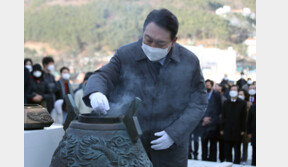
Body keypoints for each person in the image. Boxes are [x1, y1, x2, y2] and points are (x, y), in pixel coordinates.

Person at [82, 8, 208, 167]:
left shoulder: (189, 61)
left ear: (174, 41)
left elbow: (199, 103)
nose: (152, 46)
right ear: (143, 32)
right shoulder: (126, 54)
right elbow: (102, 76)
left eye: (160, 43)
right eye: (148, 40)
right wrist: (96, 93)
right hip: (129, 146)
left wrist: (174, 133)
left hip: (170, 151)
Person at [220, 85, 247, 164]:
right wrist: (222, 129)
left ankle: (236, 163)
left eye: (235, 90)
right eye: (232, 89)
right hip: (227, 129)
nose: (233, 91)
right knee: (227, 149)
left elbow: (244, 117)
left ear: (237, 92)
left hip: (237, 130)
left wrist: (243, 129)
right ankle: (228, 163)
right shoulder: (226, 102)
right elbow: (223, 116)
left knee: (237, 149)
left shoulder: (242, 103)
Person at [201, 79, 221, 162]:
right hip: (203, 124)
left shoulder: (217, 96)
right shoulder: (202, 95)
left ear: (212, 86)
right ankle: (204, 159)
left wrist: (210, 119)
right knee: (204, 143)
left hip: (213, 124)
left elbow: (219, 109)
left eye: (208, 85)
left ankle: (212, 160)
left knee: (213, 144)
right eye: (205, 85)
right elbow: (199, 107)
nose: (206, 87)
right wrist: (203, 118)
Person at [238, 89, 252, 164]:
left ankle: (244, 158)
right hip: (237, 126)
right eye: (239, 94)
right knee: (237, 143)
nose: (240, 96)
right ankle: (238, 157)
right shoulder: (236, 103)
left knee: (245, 144)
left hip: (246, 126)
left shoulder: (249, 104)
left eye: (241, 94)